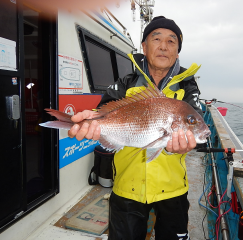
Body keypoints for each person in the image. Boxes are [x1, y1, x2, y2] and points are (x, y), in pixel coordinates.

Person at [68, 16, 203, 240]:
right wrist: (90, 121)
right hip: (126, 189)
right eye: (156, 38)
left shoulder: (188, 88)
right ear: (144, 46)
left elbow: (199, 131)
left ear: (177, 51)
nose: (163, 46)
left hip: (173, 190)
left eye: (171, 41)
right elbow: (101, 113)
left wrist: (182, 146)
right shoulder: (125, 84)